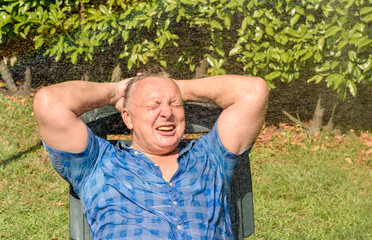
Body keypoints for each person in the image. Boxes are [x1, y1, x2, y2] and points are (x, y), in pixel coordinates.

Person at [33, 68, 268, 239]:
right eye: (153, 105)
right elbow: (49, 102)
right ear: (128, 117)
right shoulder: (98, 163)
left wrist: (177, 87)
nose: (166, 112)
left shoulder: (211, 156)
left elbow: (254, 91)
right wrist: (116, 92)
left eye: (175, 104)